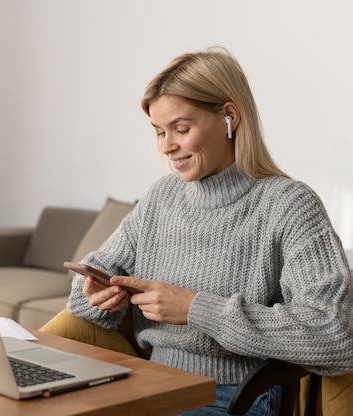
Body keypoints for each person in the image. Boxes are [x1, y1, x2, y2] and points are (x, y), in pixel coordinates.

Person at [40, 46, 353, 415]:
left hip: (232, 396)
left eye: (181, 129)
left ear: (229, 118)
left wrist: (194, 308)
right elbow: (84, 294)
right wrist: (96, 292)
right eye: (159, 132)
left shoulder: (288, 204)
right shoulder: (162, 196)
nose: (167, 146)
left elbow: (333, 335)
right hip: (149, 380)